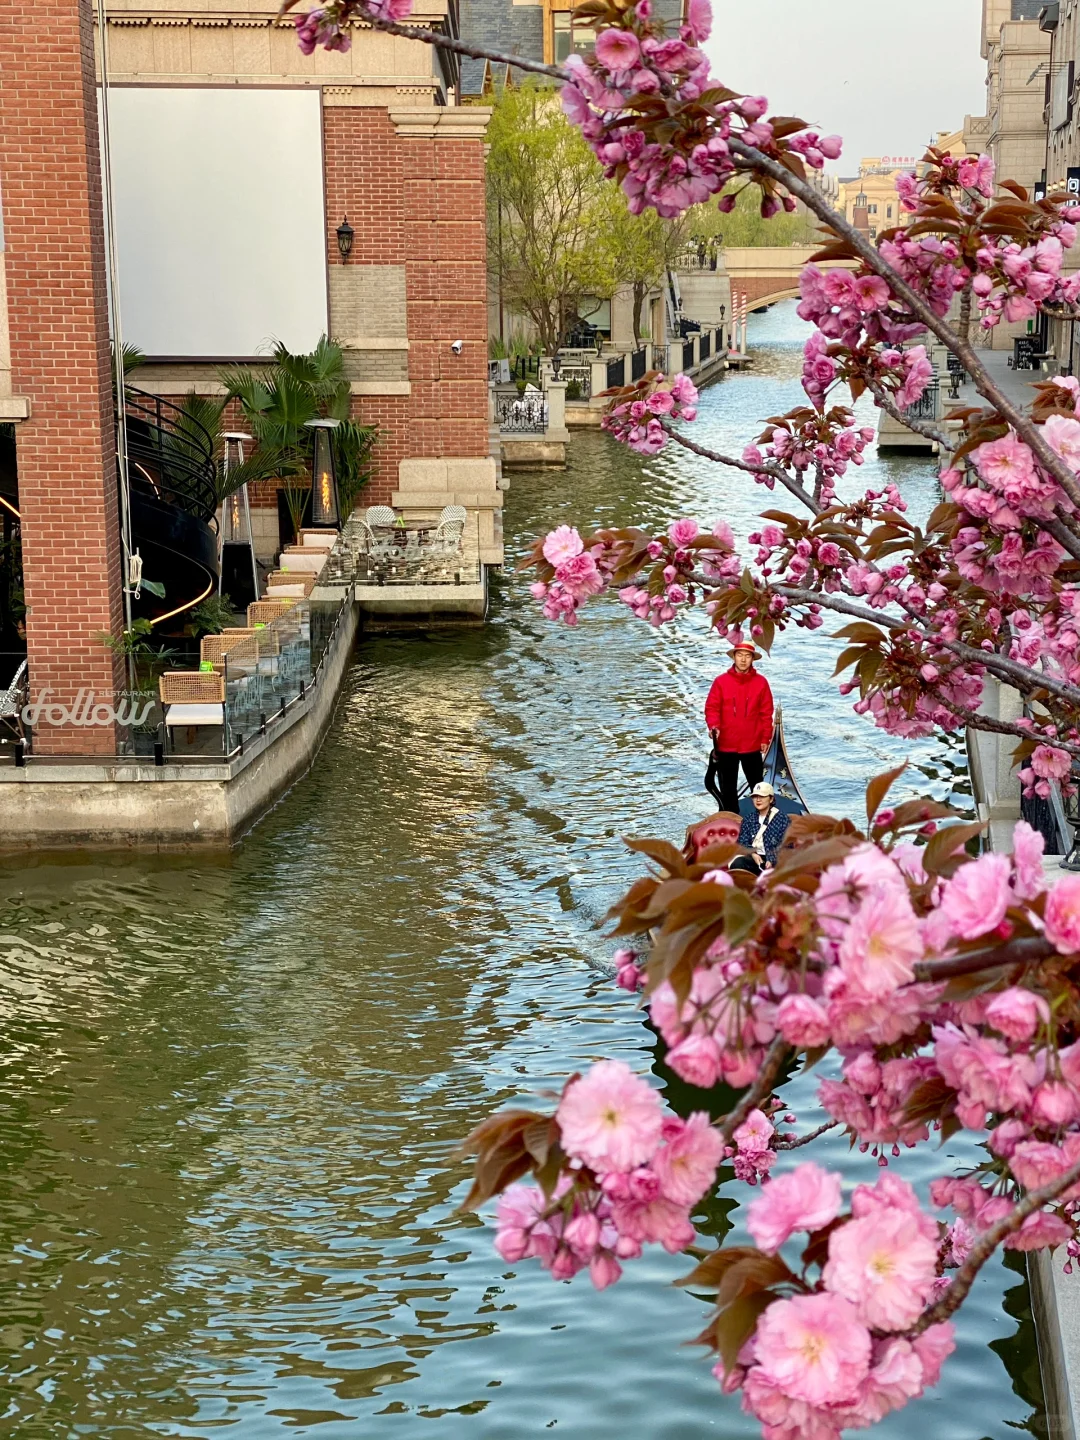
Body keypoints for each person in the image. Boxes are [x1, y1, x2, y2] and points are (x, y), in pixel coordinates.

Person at [704, 640, 774, 815]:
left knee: (759, 788)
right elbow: (711, 708)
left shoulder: (761, 683)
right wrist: (714, 726)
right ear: (734, 657)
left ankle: (763, 823)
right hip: (726, 744)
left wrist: (766, 738)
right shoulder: (721, 682)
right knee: (728, 791)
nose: (743, 660)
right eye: (740, 655)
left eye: (747, 656)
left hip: (752, 744)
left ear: (752, 659)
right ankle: (732, 824)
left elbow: (766, 713)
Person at [736, 781, 791, 873]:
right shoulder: (749, 819)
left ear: (771, 799)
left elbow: (787, 845)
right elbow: (742, 841)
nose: (758, 800)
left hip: (775, 859)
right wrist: (753, 853)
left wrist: (772, 859)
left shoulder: (783, 819)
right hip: (754, 857)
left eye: (762, 796)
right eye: (755, 797)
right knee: (738, 863)